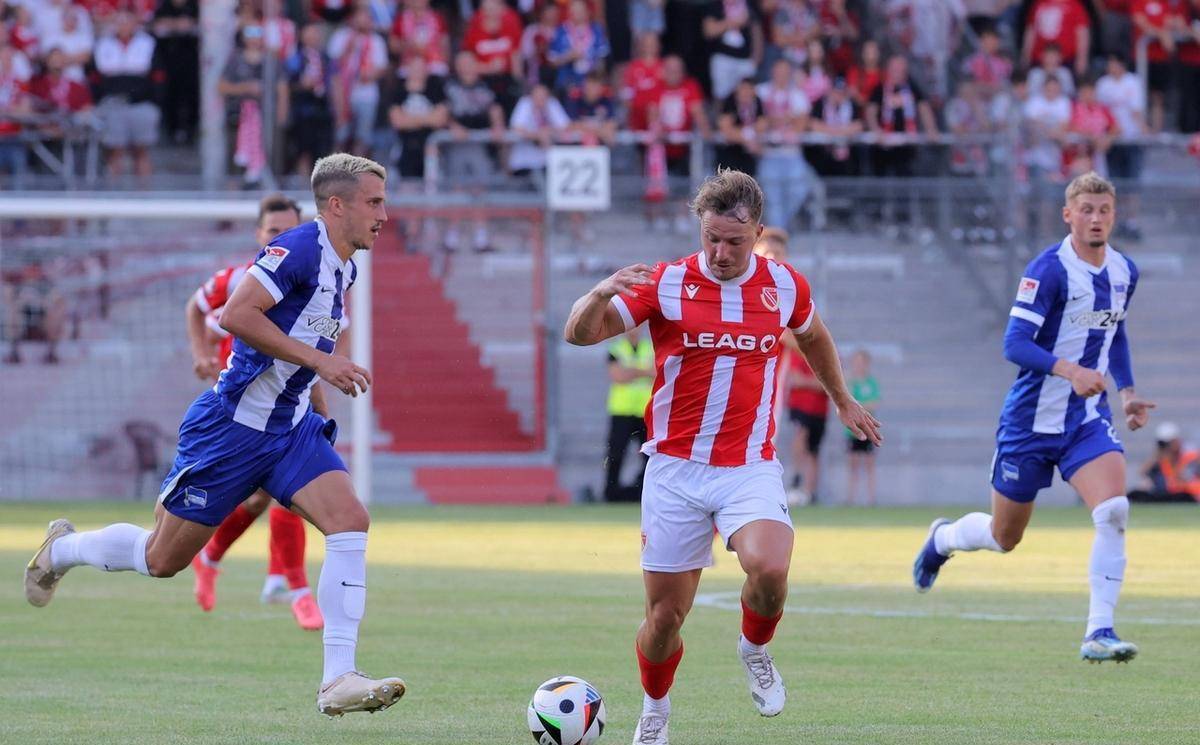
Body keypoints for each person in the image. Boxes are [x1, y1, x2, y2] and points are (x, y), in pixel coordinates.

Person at [25, 153, 406, 717]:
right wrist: (322, 364)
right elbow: (235, 315)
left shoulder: (343, 268)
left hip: (289, 428)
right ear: (336, 205)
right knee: (161, 559)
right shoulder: (299, 249)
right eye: (373, 202)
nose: (383, 214)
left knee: (350, 520)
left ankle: (338, 678)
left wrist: (319, 394)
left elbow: (308, 348)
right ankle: (62, 549)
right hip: (232, 430)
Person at [563, 169, 881, 745]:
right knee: (664, 619)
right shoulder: (667, 282)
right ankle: (655, 710)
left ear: (757, 232)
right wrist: (600, 292)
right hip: (674, 470)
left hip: (747, 466)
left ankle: (754, 647)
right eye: (711, 238)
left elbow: (814, 336)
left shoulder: (783, 285)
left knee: (771, 567)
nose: (721, 252)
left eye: (734, 241)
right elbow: (580, 334)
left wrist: (842, 398)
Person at [912, 172, 1156, 664]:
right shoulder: (1048, 270)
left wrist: (1127, 391)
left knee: (1114, 511)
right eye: (1086, 210)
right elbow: (1015, 344)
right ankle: (943, 538)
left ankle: (1099, 632)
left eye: (1104, 210)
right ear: (1068, 215)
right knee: (1005, 538)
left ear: (1114, 216)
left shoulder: (1124, 271)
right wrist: (1071, 370)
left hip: (1085, 420)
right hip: (1029, 423)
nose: (1096, 219)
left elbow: (1116, 332)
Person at [184, 194, 323, 631]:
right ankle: (213, 557)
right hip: (240, 412)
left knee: (289, 491)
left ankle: (294, 588)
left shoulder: (315, 285)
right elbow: (198, 311)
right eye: (273, 231)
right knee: (256, 498)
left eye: (290, 230)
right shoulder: (237, 281)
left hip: (288, 406)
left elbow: (315, 352)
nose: (281, 238)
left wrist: (321, 407)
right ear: (258, 235)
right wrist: (202, 356)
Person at [604, 327, 655, 503]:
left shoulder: (651, 347)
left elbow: (656, 373)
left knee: (649, 456)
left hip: (645, 411)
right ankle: (610, 493)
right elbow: (618, 376)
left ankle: (646, 492)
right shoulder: (616, 348)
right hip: (622, 411)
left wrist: (631, 371)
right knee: (616, 454)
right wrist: (644, 371)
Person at [1130, 422, 1200, 502]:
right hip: (1171, 492)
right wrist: (1158, 454)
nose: (1169, 446)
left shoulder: (1189, 453)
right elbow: (1142, 472)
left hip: (1190, 493)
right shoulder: (1162, 458)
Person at [844, 349, 880, 505]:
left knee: (869, 464)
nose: (859, 365)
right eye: (856, 362)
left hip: (868, 429)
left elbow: (873, 403)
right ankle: (851, 498)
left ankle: (871, 499)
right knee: (853, 465)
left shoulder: (871, 383)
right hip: (852, 431)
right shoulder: (850, 383)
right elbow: (846, 403)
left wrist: (858, 407)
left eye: (862, 362)